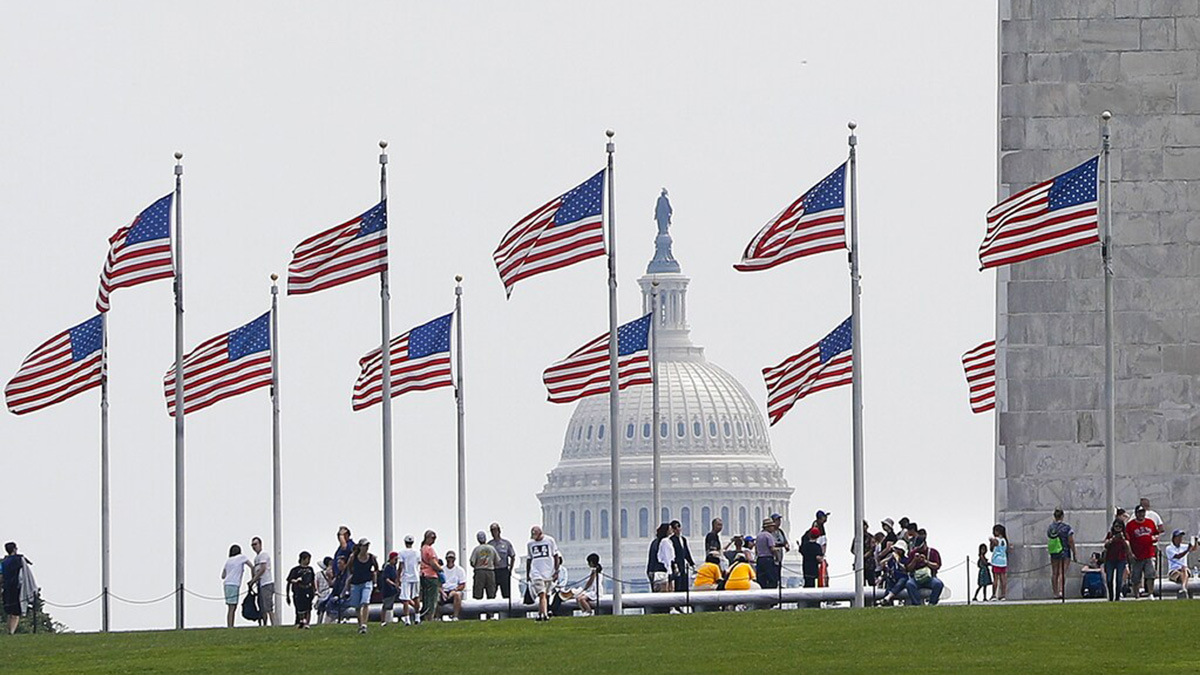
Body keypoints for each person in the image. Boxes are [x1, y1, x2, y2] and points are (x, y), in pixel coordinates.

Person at [526, 525, 561, 622]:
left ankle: (541, 613)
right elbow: (529, 560)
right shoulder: (530, 544)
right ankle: (544, 615)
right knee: (542, 594)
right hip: (536, 572)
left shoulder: (550, 541)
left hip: (549, 572)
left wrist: (556, 571)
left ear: (540, 533)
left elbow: (556, 556)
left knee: (546, 595)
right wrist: (528, 574)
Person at [1126, 505, 1160, 599]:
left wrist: (1155, 538)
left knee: (1150, 575)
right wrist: (1130, 553)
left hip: (1149, 554)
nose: (1141, 514)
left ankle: (1150, 593)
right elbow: (1127, 540)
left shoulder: (1150, 523)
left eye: (1143, 512)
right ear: (1136, 513)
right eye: (1139, 512)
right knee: (1136, 577)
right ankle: (1136, 595)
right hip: (1137, 555)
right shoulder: (1130, 525)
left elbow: (1156, 534)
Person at [346, 538, 379, 634]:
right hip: (356, 583)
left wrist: (374, 579)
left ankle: (364, 624)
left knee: (365, 602)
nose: (366, 548)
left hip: (367, 582)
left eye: (367, 546)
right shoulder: (354, 557)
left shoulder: (371, 557)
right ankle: (360, 624)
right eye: (364, 546)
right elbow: (349, 567)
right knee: (357, 606)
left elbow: (376, 568)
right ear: (360, 547)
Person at [2, 543, 33, 635]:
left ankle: (9, 630)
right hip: (16, 587)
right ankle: (11, 631)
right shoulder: (18, 559)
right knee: (16, 612)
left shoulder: (4, 562)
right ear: (15, 549)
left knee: (10, 612)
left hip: (7, 587)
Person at [220, 544, 253, 628]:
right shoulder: (242, 557)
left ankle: (230, 625)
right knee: (233, 607)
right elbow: (251, 566)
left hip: (226, 584)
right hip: (234, 584)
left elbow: (223, 575)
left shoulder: (228, 560)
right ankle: (230, 626)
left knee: (230, 607)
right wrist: (253, 578)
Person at [1047, 509, 1076, 599]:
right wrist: (1074, 552)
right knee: (1062, 572)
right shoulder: (1066, 527)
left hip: (1054, 551)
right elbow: (1070, 541)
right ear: (1062, 516)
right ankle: (1060, 591)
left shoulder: (1051, 528)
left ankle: (1055, 592)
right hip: (1064, 551)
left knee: (1054, 572)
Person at [904, 541, 944, 606]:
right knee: (909, 584)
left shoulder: (933, 552)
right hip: (916, 578)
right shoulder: (913, 553)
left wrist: (926, 562)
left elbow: (937, 566)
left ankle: (932, 603)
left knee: (938, 584)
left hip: (929, 578)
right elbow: (908, 569)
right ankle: (917, 604)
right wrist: (914, 560)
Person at [1103, 519, 1133, 601]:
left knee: (1119, 579)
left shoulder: (1125, 535)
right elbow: (1105, 545)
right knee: (1109, 579)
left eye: (1120, 527)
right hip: (1110, 559)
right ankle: (1111, 596)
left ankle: (1117, 597)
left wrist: (1123, 539)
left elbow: (1128, 547)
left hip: (1121, 559)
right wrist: (1112, 539)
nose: (1118, 528)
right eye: (1116, 526)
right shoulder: (1110, 534)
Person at [249, 537, 276, 627]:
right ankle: (264, 624)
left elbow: (263, 569)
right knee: (262, 607)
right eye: (252, 545)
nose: (254, 546)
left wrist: (254, 579)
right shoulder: (256, 557)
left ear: (260, 544)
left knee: (268, 606)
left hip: (266, 583)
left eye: (255, 544)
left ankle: (274, 624)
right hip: (260, 585)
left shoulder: (263, 555)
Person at [285, 551, 316, 628]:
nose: (308, 561)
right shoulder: (295, 570)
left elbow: (313, 580)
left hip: (308, 590)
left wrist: (315, 590)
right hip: (298, 591)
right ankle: (300, 622)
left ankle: (307, 623)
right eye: (307, 559)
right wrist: (296, 581)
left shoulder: (310, 569)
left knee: (308, 608)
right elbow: (289, 580)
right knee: (299, 609)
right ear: (303, 559)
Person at [419, 530, 443, 624]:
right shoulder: (429, 549)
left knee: (425, 597)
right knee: (432, 598)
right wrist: (440, 569)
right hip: (431, 576)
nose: (433, 540)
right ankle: (429, 617)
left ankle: (424, 615)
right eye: (432, 538)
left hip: (423, 575)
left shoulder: (422, 549)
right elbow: (433, 563)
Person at [488, 523, 516, 601]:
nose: (494, 532)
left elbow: (513, 556)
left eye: (495, 530)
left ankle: (507, 612)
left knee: (506, 594)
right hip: (493, 571)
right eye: (492, 531)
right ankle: (490, 612)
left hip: (504, 570)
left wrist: (510, 569)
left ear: (499, 531)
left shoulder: (506, 543)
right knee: (491, 594)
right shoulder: (489, 544)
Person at [397, 535, 421, 625]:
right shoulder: (417, 552)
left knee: (405, 599)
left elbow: (401, 566)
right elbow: (419, 563)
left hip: (406, 577)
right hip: (415, 576)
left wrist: (398, 577)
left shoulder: (402, 553)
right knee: (416, 597)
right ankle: (417, 617)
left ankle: (407, 619)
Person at [878, 540, 910, 606]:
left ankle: (888, 597)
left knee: (900, 582)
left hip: (902, 578)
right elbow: (883, 565)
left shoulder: (906, 559)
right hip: (893, 578)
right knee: (889, 585)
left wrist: (898, 561)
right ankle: (886, 601)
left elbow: (906, 569)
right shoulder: (891, 559)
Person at [469, 531, 498, 602]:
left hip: (479, 572)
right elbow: (497, 561)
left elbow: (472, 562)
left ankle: (477, 612)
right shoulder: (492, 548)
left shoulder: (476, 549)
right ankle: (490, 612)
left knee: (478, 594)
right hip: (490, 571)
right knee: (491, 594)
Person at [440, 551, 467, 620]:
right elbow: (438, 584)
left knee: (457, 595)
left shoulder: (460, 570)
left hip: (454, 591)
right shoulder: (441, 569)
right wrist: (442, 592)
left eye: (452, 558)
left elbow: (462, 584)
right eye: (449, 558)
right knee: (435, 596)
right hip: (444, 591)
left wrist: (454, 590)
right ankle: (437, 617)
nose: (450, 560)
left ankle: (455, 616)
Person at [1165, 529, 1191, 598]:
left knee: (1184, 569)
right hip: (1174, 570)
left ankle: (1183, 589)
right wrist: (1187, 550)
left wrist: (1195, 542)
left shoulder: (1184, 546)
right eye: (1178, 537)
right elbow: (1178, 556)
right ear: (1174, 538)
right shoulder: (1169, 548)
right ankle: (1184, 589)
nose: (1180, 539)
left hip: (1184, 569)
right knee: (1181, 573)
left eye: (1181, 537)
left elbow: (1193, 548)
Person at [755, 519, 781, 589]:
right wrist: (777, 555)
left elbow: (756, 549)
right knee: (772, 579)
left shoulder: (759, 535)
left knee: (761, 579)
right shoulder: (768, 536)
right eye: (772, 526)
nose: (773, 528)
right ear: (768, 527)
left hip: (760, 559)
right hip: (768, 559)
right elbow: (772, 548)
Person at [669, 520, 694, 592]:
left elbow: (686, 552)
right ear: (673, 529)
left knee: (684, 583)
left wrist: (692, 563)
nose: (678, 529)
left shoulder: (683, 539)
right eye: (675, 528)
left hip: (683, 565)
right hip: (675, 566)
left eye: (678, 527)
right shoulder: (671, 540)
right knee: (677, 584)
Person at [647, 524, 672, 592]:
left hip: (654, 570)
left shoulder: (655, 542)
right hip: (660, 571)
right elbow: (666, 558)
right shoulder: (664, 542)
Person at [378, 551, 399, 626]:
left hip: (393, 589)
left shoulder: (394, 567)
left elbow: (396, 576)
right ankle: (383, 620)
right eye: (395, 559)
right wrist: (393, 584)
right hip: (387, 589)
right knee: (386, 605)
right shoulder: (387, 567)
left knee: (391, 604)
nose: (396, 561)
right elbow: (386, 579)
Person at [989, 524, 1009, 601]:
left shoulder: (996, 540)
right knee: (1003, 578)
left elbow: (992, 548)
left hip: (996, 561)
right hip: (1003, 561)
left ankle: (994, 595)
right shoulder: (1004, 540)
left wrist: (991, 541)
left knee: (995, 579)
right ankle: (1003, 595)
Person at [314, 557, 333, 624]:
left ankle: (319, 622)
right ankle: (327, 622)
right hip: (329, 592)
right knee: (329, 608)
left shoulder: (318, 574)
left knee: (321, 609)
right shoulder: (332, 572)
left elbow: (316, 583)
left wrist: (317, 591)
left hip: (321, 593)